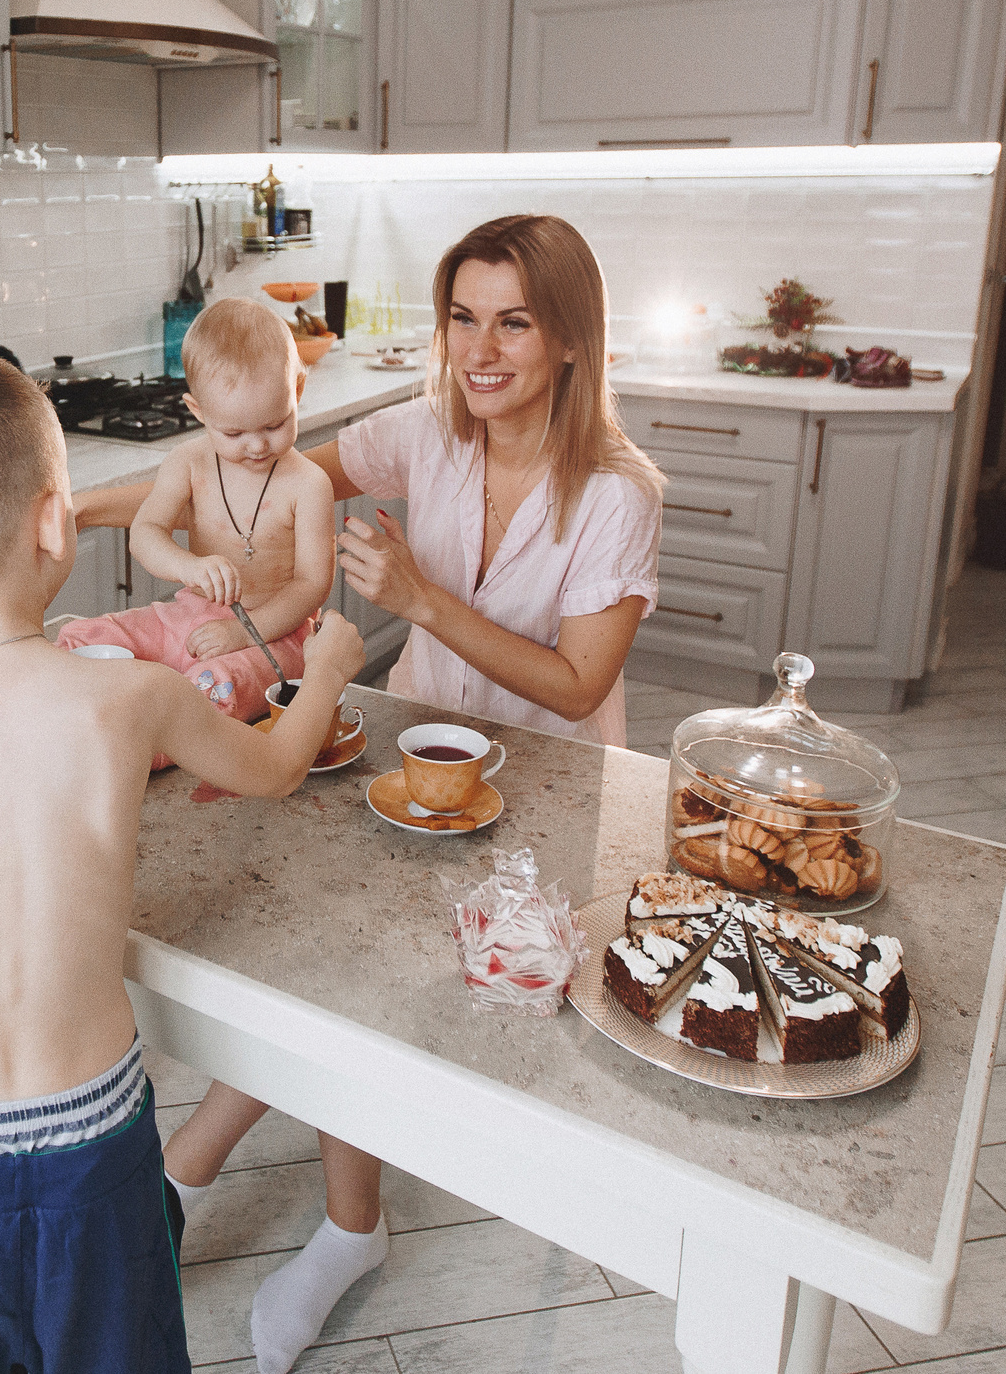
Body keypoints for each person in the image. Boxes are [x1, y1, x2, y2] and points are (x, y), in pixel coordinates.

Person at [139, 217, 665, 1373]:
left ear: (571, 338)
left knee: (360, 996)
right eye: (462, 316)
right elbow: (279, 473)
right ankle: (273, 1210)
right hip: (400, 757)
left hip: (544, 791)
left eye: (513, 321)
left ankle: (231, 1198)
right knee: (331, 978)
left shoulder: (617, 495)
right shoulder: (429, 432)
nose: (479, 349)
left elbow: (581, 686)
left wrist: (419, 602)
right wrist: (132, 522)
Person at [0, 343, 366, 1374]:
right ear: (57, 522)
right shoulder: (126, 700)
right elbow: (282, 765)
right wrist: (325, 667)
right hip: (96, 1150)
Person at [57, 298, 335, 720]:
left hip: (276, 636)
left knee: (215, 683)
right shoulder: (188, 462)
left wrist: (242, 631)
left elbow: (312, 585)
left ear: (297, 390)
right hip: (192, 616)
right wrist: (187, 567)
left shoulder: (310, 484)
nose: (257, 445)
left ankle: (142, 741)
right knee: (82, 636)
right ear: (198, 411)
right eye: (234, 431)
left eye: (275, 424)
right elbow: (146, 533)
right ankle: (89, 713)